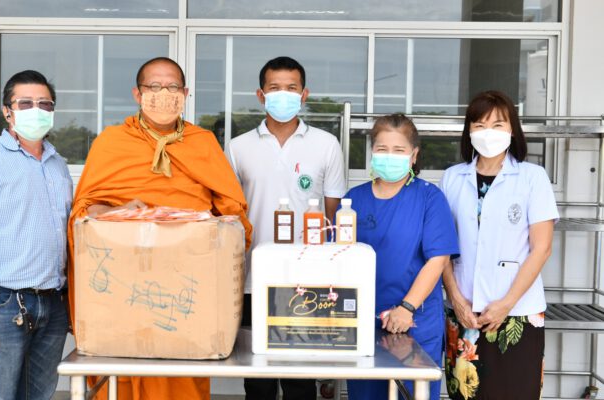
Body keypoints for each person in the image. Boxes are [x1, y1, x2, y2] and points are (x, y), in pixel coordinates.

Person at [67, 57, 252, 400]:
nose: (163, 94)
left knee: (182, 373)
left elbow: (233, 217)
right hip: (121, 282)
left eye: (172, 87)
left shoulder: (202, 143)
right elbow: (84, 213)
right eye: (154, 86)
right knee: (120, 368)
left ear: (185, 93)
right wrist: (120, 212)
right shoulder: (111, 142)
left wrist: (198, 230)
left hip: (186, 286)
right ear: (137, 94)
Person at [225, 55, 346, 400]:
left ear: (304, 95)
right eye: (275, 88)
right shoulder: (237, 147)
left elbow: (333, 215)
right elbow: (229, 214)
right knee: (257, 378)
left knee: (300, 377)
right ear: (260, 95)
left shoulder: (326, 144)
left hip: (307, 276)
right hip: (252, 275)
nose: (283, 95)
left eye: (291, 88)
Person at [0, 70, 71, 400]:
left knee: (39, 395)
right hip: (5, 304)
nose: (37, 110)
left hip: (53, 303)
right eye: (25, 103)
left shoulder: (58, 165)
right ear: (8, 111)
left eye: (45, 104)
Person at [440, 91, 557, 400]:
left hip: (518, 312)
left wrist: (507, 303)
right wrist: (456, 299)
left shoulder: (533, 177)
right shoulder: (452, 178)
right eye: (479, 125)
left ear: (512, 130)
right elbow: (442, 249)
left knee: (516, 392)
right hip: (464, 312)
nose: (488, 133)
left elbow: (542, 248)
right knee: (465, 393)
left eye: (498, 124)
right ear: (468, 131)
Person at [344, 113, 459, 400]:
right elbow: (340, 259)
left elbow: (438, 259)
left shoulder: (429, 198)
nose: (390, 156)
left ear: (414, 155)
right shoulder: (353, 200)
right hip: (363, 324)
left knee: (413, 393)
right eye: (382, 149)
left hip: (415, 323)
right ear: (372, 152)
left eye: (399, 150)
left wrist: (407, 308)